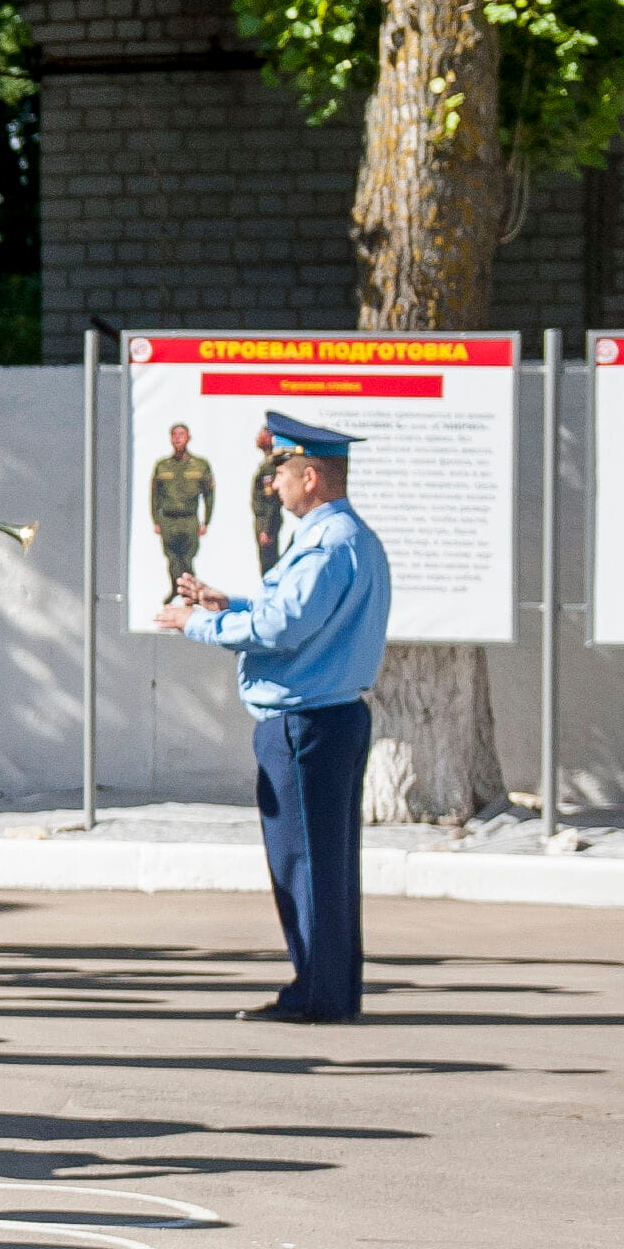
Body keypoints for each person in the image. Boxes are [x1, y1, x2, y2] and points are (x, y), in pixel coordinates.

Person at [152, 411, 391, 1023]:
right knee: (325, 865)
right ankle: (328, 988)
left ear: (310, 476)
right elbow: (291, 608)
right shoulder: (345, 537)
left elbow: (282, 627)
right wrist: (228, 601)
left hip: (305, 725)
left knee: (305, 863)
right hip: (325, 719)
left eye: (280, 469)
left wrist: (198, 623)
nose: (272, 482)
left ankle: (318, 996)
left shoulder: (326, 541)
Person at [151, 424, 214, 597]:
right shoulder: (163, 465)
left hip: (189, 519)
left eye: (182, 434)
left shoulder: (200, 465)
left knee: (187, 559)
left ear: (189, 438)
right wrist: (156, 520)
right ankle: (175, 589)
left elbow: (208, 495)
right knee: (172, 559)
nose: (178, 438)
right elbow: (155, 495)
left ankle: (189, 593)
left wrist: (206, 521)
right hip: (168, 519)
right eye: (175, 435)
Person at [247, 426, 286, 575]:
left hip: (267, 520)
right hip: (264, 520)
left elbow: (271, 499)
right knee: (266, 561)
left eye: (261, 435)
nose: (257, 438)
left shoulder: (270, 465)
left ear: (270, 438)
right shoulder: (267, 462)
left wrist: (266, 529)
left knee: (268, 563)